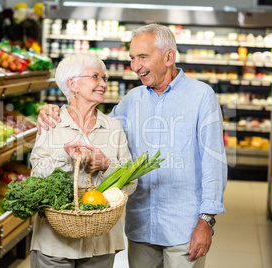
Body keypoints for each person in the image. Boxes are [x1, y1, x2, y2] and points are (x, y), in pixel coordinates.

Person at [36, 24, 227, 268]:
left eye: (143, 57)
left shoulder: (201, 96)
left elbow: (214, 163)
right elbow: (95, 124)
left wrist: (206, 221)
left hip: (184, 226)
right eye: (132, 58)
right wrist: (55, 110)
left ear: (169, 57)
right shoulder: (132, 100)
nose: (135, 66)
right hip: (141, 226)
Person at [29, 54, 134, 268]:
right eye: (96, 77)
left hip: (100, 245)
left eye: (104, 78)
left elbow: (131, 184)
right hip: (54, 245)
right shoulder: (51, 122)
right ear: (72, 84)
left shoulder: (113, 128)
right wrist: (66, 157)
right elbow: (36, 177)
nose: (103, 84)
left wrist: (106, 165)